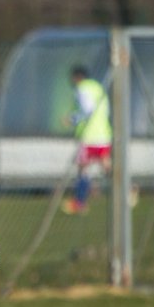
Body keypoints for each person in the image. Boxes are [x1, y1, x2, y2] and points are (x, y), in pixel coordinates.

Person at [62, 65, 111, 215]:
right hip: (103, 134)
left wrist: (71, 119)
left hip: (89, 135)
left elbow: (87, 111)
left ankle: (80, 202)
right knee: (106, 165)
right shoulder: (98, 87)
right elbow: (105, 109)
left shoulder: (81, 88)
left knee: (83, 168)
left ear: (77, 77)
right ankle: (128, 191)